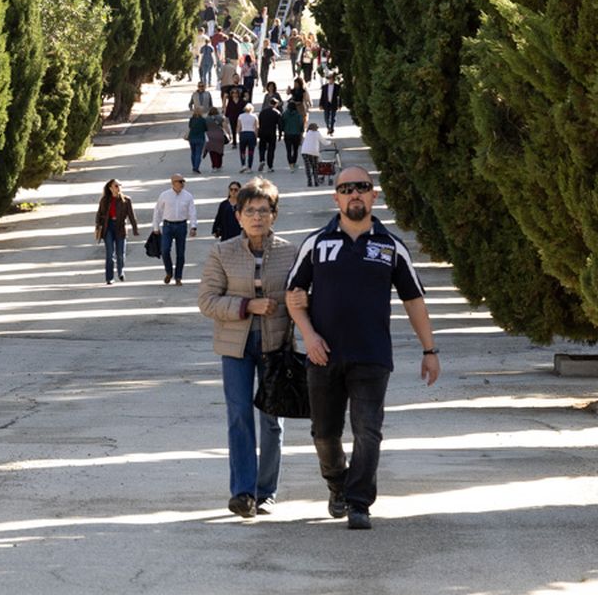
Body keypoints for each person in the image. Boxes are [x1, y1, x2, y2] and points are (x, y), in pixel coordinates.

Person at [285, 167, 440, 530]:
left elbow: (414, 300)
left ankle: (358, 503)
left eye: (362, 187)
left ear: (374, 196)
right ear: (335, 198)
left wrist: (429, 350)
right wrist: (308, 336)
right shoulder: (316, 244)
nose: (354, 193)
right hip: (323, 355)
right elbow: (293, 297)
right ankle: (337, 485)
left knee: (368, 430)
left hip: (372, 355)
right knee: (324, 433)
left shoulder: (390, 247)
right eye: (346, 188)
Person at [198, 178, 297, 518]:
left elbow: (300, 298)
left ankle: (266, 491)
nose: (257, 217)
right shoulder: (222, 252)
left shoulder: (291, 253)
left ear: (274, 215)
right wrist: (246, 306)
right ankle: (243, 492)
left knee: (272, 419)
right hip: (236, 346)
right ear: (237, 215)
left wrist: (287, 304)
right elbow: (207, 301)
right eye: (250, 210)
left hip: (276, 345)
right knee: (239, 414)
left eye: (264, 210)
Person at [151, 173, 198, 285]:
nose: (182, 184)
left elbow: (192, 212)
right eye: (180, 181)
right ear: (173, 183)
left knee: (180, 253)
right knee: (165, 250)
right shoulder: (165, 195)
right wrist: (155, 227)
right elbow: (157, 211)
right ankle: (169, 272)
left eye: (183, 182)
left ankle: (178, 277)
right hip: (168, 225)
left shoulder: (188, 196)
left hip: (181, 226)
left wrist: (193, 226)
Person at [94, 178, 139, 284]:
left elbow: (131, 215)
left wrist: (135, 228)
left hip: (120, 228)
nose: (118, 188)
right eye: (116, 186)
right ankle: (109, 278)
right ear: (110, 188)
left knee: (120, 253)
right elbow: (99, 214)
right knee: (110, 254)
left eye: (119, 185)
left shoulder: (126, 200)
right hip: (108, 227)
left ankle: (120, 272)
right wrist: (97, 226)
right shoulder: (104, 200)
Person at [257, 88, 282, 172]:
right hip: (272, 132)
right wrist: (280, 134)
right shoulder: (277, 113)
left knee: (262, 147)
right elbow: (280, 124)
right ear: (276, 104)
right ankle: (270, 166)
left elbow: (259, 122)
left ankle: (262, 160)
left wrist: (258, 132)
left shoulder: (263, 112)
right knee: (271, 149)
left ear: (269, 103)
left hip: (263, 132)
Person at [283, 83, 306, 166]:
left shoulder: (285, 114)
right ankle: (294, 162)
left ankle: (290, 163)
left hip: (288, 134)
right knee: (295, 149)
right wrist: (301, 132)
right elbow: (301, 124)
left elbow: (282, 122)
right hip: (296, 134)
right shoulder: (298, 115)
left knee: (288, 150)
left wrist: (282, 130)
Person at [186, 95, 209, 174]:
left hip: (192, 137)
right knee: (198, 153)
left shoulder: (192, 119)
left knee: (193, 152)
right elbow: (206, 129)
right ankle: (196, 167)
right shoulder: (203, 120)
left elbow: (190, 127)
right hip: (200, 138)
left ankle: (193, 166)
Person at [236, 103, 259, 173]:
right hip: (251, 134)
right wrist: (256, 136)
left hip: (243, 133)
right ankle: (249, 167)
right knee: (250, 152)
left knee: (242, 151)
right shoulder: (254, 116)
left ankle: (243, 165)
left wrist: (238, 135)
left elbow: (238, 126)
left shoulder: (240, 116)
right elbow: (256, 127)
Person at [204, 106, 227, 170]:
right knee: (219, 151)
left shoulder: (206, 119)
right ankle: (219, 164)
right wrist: (229, 134)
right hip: (219, 135)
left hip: (210, 136)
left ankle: (214, 165)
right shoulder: (221, 117)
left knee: (212, 151)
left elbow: (204, 127)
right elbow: (225, 126)